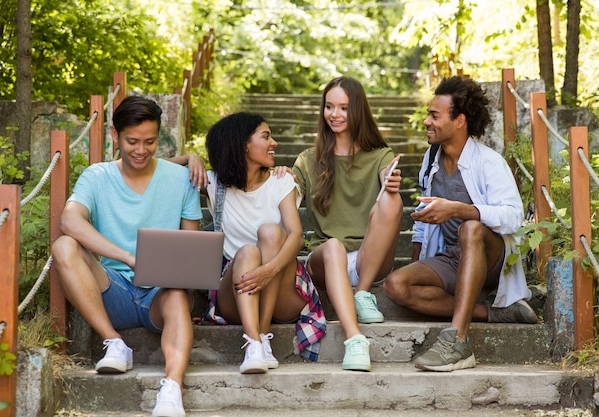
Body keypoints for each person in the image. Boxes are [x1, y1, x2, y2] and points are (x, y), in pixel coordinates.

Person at [50, 96, 202, 417]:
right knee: (64, 245)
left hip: (163, 293)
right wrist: (131, 258)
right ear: (114, 136)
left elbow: (193, 245)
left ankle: (172, 388)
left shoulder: (180, 179)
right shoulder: (97, 176)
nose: (141, 150)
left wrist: (176, 271)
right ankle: (113, 342)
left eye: (150, 141)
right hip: (113, 289)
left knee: (176, 295)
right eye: (132, 141)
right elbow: (69, 221)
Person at [383, 75, 537, 372]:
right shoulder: (431, 161)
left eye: (434, 115)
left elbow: (513, 217)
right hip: (453, 257)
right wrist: (418, 266)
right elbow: (423, 221)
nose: (427, 122)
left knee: (471, 227)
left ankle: (458, 341)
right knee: (396, 285)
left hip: (490, 256)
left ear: (459, 121)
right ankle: (491, 313)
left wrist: (460, 210)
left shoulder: (488, 162)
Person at [194, 112, 325, 374]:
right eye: (266, 136)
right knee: (246, 252)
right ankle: (253, 343)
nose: (273, 142)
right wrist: (190, 158)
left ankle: (261, 338)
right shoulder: (216, 183)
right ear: (242, 144)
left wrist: (269, 270)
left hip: (282, 289)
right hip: (237, 290)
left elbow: (296, 235)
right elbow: (154, 165)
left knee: (271, 233)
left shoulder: (281, 181)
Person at [292, 76, 403, 372]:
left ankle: (363, 293)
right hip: (326, 261)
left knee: (394, 200)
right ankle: (355, 340)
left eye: (343, 107)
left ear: (358, 110)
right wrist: (280, 180)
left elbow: (386, 181)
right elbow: (288, 205)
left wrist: (390, 182)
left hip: (369, 258)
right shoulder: (307, 159)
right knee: (332, 247)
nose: (335, 115)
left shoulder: (380, 155)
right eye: (329, 107)